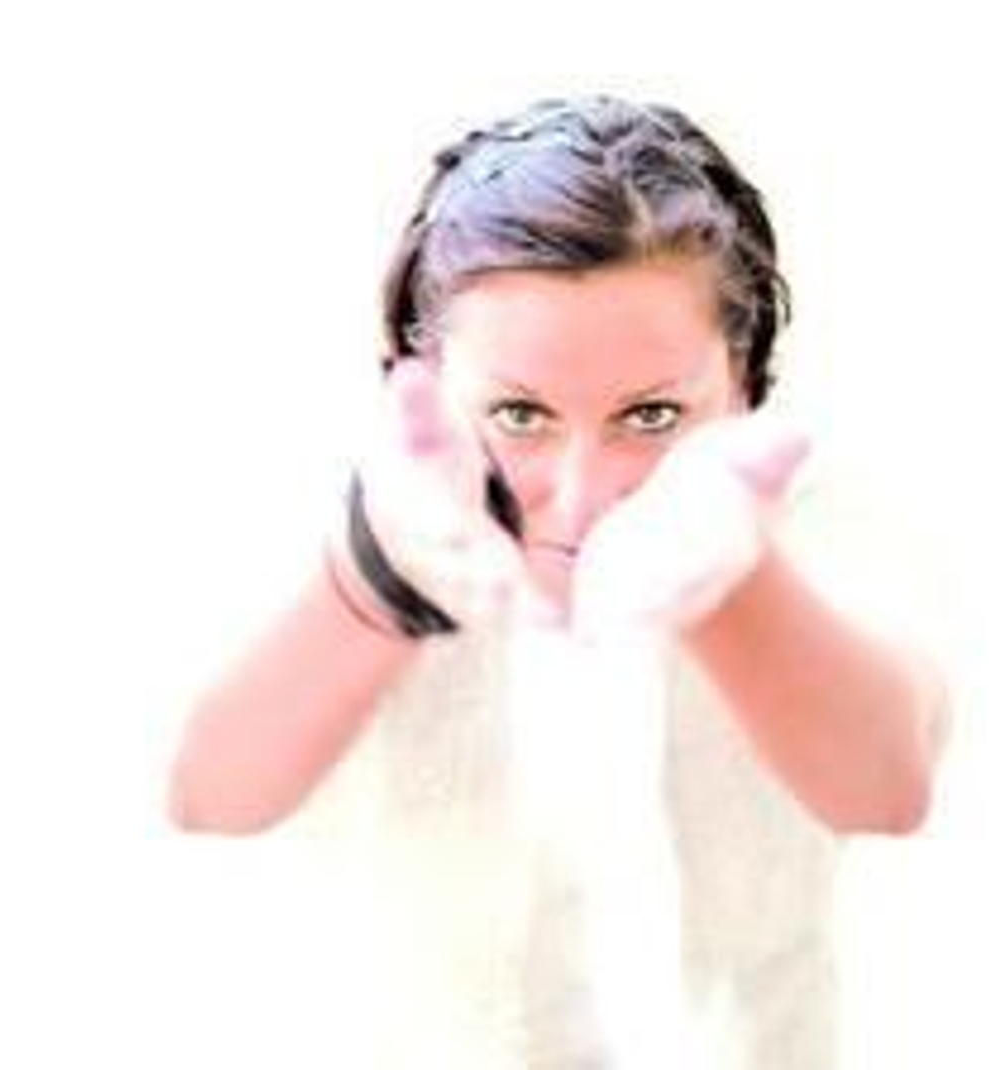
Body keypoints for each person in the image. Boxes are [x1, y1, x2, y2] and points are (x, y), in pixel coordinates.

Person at [168, 93, 951, 1067]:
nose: (582, 499)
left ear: (746, 379)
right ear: (419, 372)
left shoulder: (821, 509)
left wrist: (725, 576)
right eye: (520, 415)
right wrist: (379, 577)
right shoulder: (331, 503)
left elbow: (885, 787)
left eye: (652, 416)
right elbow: (208, 792)